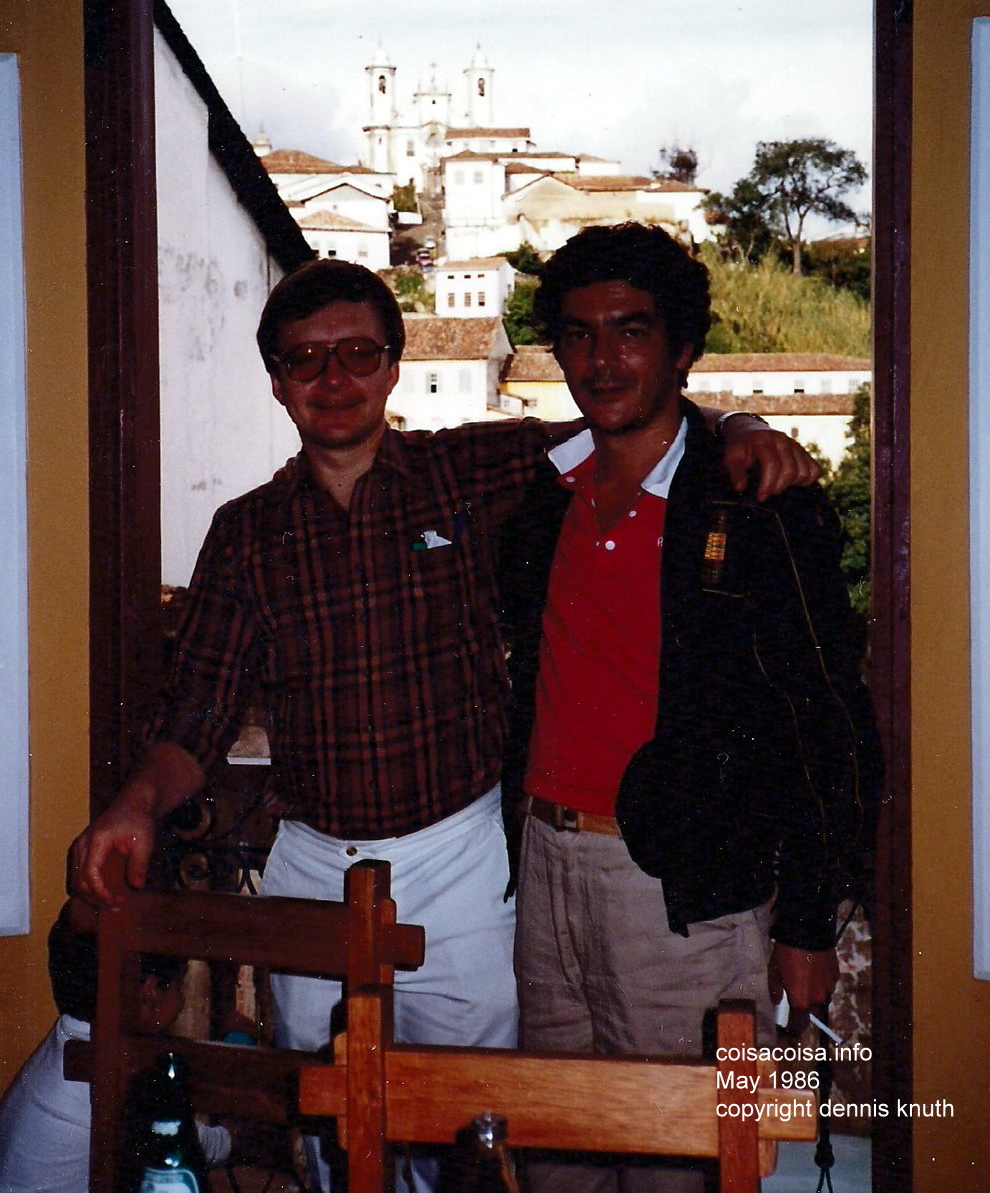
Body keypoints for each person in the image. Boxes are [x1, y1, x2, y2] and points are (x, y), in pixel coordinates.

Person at [68, 258, 818, 1188]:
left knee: (475, 1126)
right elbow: (199, 711)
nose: (334, 378)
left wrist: (740, 423)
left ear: (393, 368)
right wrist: (137, 803)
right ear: (276, 381)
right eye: (305, 359)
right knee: (334, 1129)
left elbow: (629, 418)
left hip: (460, 864)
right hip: (310, 865)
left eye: (358, 354)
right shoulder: (245, 532)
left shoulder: (468, 471)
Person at [498, 224, 882, 1193]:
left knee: (687, 1162)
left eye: (630, 331)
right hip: (543, 869)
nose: (601, 359)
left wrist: (807, 924)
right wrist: (737, 416)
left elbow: (829, 720)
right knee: (558, 1158)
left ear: (682, 348)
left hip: (682, 889)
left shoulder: (757, 502)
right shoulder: (543, 493)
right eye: (578, 334)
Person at [0, 907, 232, 1193]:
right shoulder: (114, 1073)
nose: (181, 1000)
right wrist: (240, 1130)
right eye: (180, 985)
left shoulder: (69, 1037)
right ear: (151, 992)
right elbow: (207, 1145)